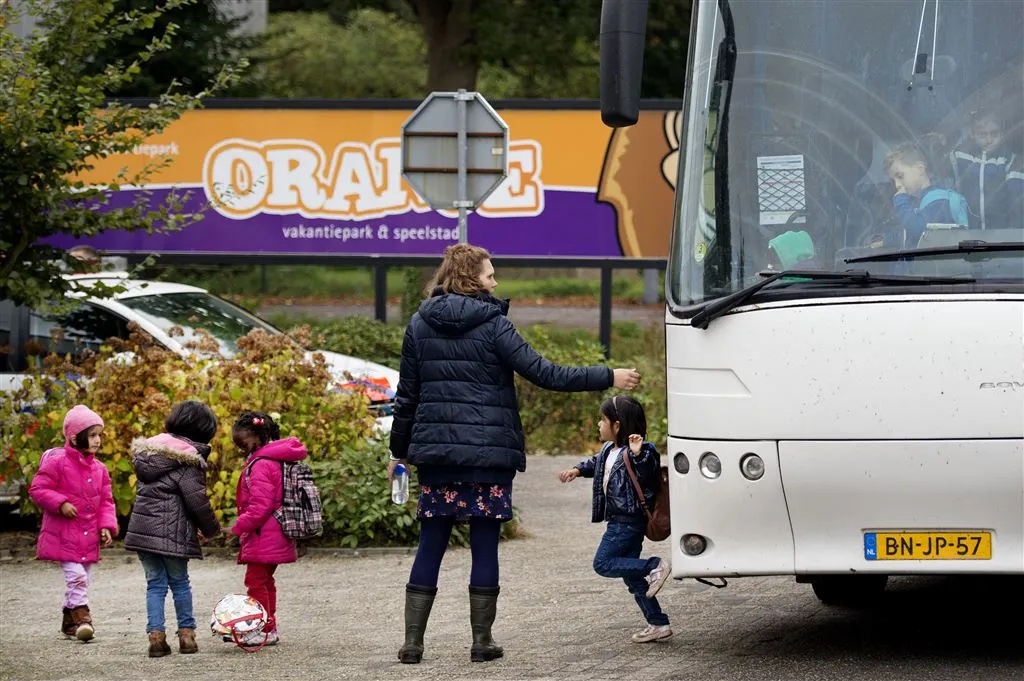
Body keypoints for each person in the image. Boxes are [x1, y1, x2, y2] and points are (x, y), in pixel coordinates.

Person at [387, 243, 642, 665]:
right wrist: (608, 375)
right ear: (472, 279)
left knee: (430, 544)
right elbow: (546, 374)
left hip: (437, 459)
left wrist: (401, 450)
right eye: (489, 275)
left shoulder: (419, 324)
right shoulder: (493, 324)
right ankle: (481, 642)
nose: (495, 282)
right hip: (488, 459)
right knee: (484, 547)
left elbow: (407, 396)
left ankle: (413, 644)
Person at [559, 395, 672, 644]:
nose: (599, 425)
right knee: (632, 577)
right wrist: (577, 470)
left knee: (603, 563)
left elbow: (648, 473)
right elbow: (596, 464)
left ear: (617, 425)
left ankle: (654, 565)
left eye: (603, 420)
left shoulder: (643, 451)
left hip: (627, 521)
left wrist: (637, 453)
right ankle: (658, 623)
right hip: (618, 519)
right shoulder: (609, 450)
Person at [124, 400, 221, 658]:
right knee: (180, 583)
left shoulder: (150, 455)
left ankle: (156, 638)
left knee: (154, 585)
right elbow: (197, 501)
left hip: (144, 533)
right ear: (203, 431)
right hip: (174, 535)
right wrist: (211, 530)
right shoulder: (187, 461)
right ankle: (187, 636)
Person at [27, 405, 117, 642]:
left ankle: (68, 622)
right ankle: (83, 619)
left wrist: (106, 525)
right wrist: (61, 503)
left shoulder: (100, 469)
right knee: (76, 577)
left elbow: (106, 501)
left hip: (88, 538)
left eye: (100, 434)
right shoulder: (58, 463)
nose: (98, 440)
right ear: (75, 437)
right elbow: (37, 489)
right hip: (64, 535)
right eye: (93, 435)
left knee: (83, 578)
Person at [230, 411, 308, 647]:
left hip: (264, 533)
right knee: (264, 580)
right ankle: (268, 625)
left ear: (257, 436)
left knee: (255, 581)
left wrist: (237, 527)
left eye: (241, 441)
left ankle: (263, 628)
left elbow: (260, 506)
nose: (238, 447)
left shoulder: (262, 463)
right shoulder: (271, 459)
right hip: (273, 533)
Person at [884, 141, 969, 247]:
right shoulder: (914, 201)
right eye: (893, 180)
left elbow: (919, 231)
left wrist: (901, 203)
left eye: (900, 176)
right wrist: (886, 241)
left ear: (920, 169)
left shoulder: (939, 201)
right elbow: (907, 233)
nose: (897, 185)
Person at [950, 109, 1024, 230]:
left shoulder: (1008, 159)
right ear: (972, 134)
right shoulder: (960, 155)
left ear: (1002, 133)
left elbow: (1015, 201)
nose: (989, 140)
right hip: (967, 231)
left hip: (1001, 232)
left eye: (994, 134)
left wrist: (1013, 230)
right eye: (982, 134)